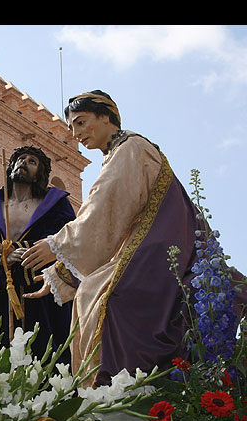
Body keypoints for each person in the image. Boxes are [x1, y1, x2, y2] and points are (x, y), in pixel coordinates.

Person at [20, 90, 205, 387]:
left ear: (107, 117)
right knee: (90, 291)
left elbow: (105, 207)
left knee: (99, 296)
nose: (76, 134)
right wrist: (62, 272)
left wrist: (56, 245)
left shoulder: (131, 148)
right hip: (144, 248)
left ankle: (113, 390)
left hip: (161, 253)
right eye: (72, 128)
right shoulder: (119, 153)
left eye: (81, 122)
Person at [0, 146, 76, 362]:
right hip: (3, 297)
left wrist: (9, 249)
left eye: (32, 161)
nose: (24, 162)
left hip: (44, 297)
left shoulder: (55, 203)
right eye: (20, 159)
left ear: (38, 173)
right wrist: (2, 258)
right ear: (11, 165)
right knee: (2, 360)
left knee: (49, 359)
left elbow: (67, 239)